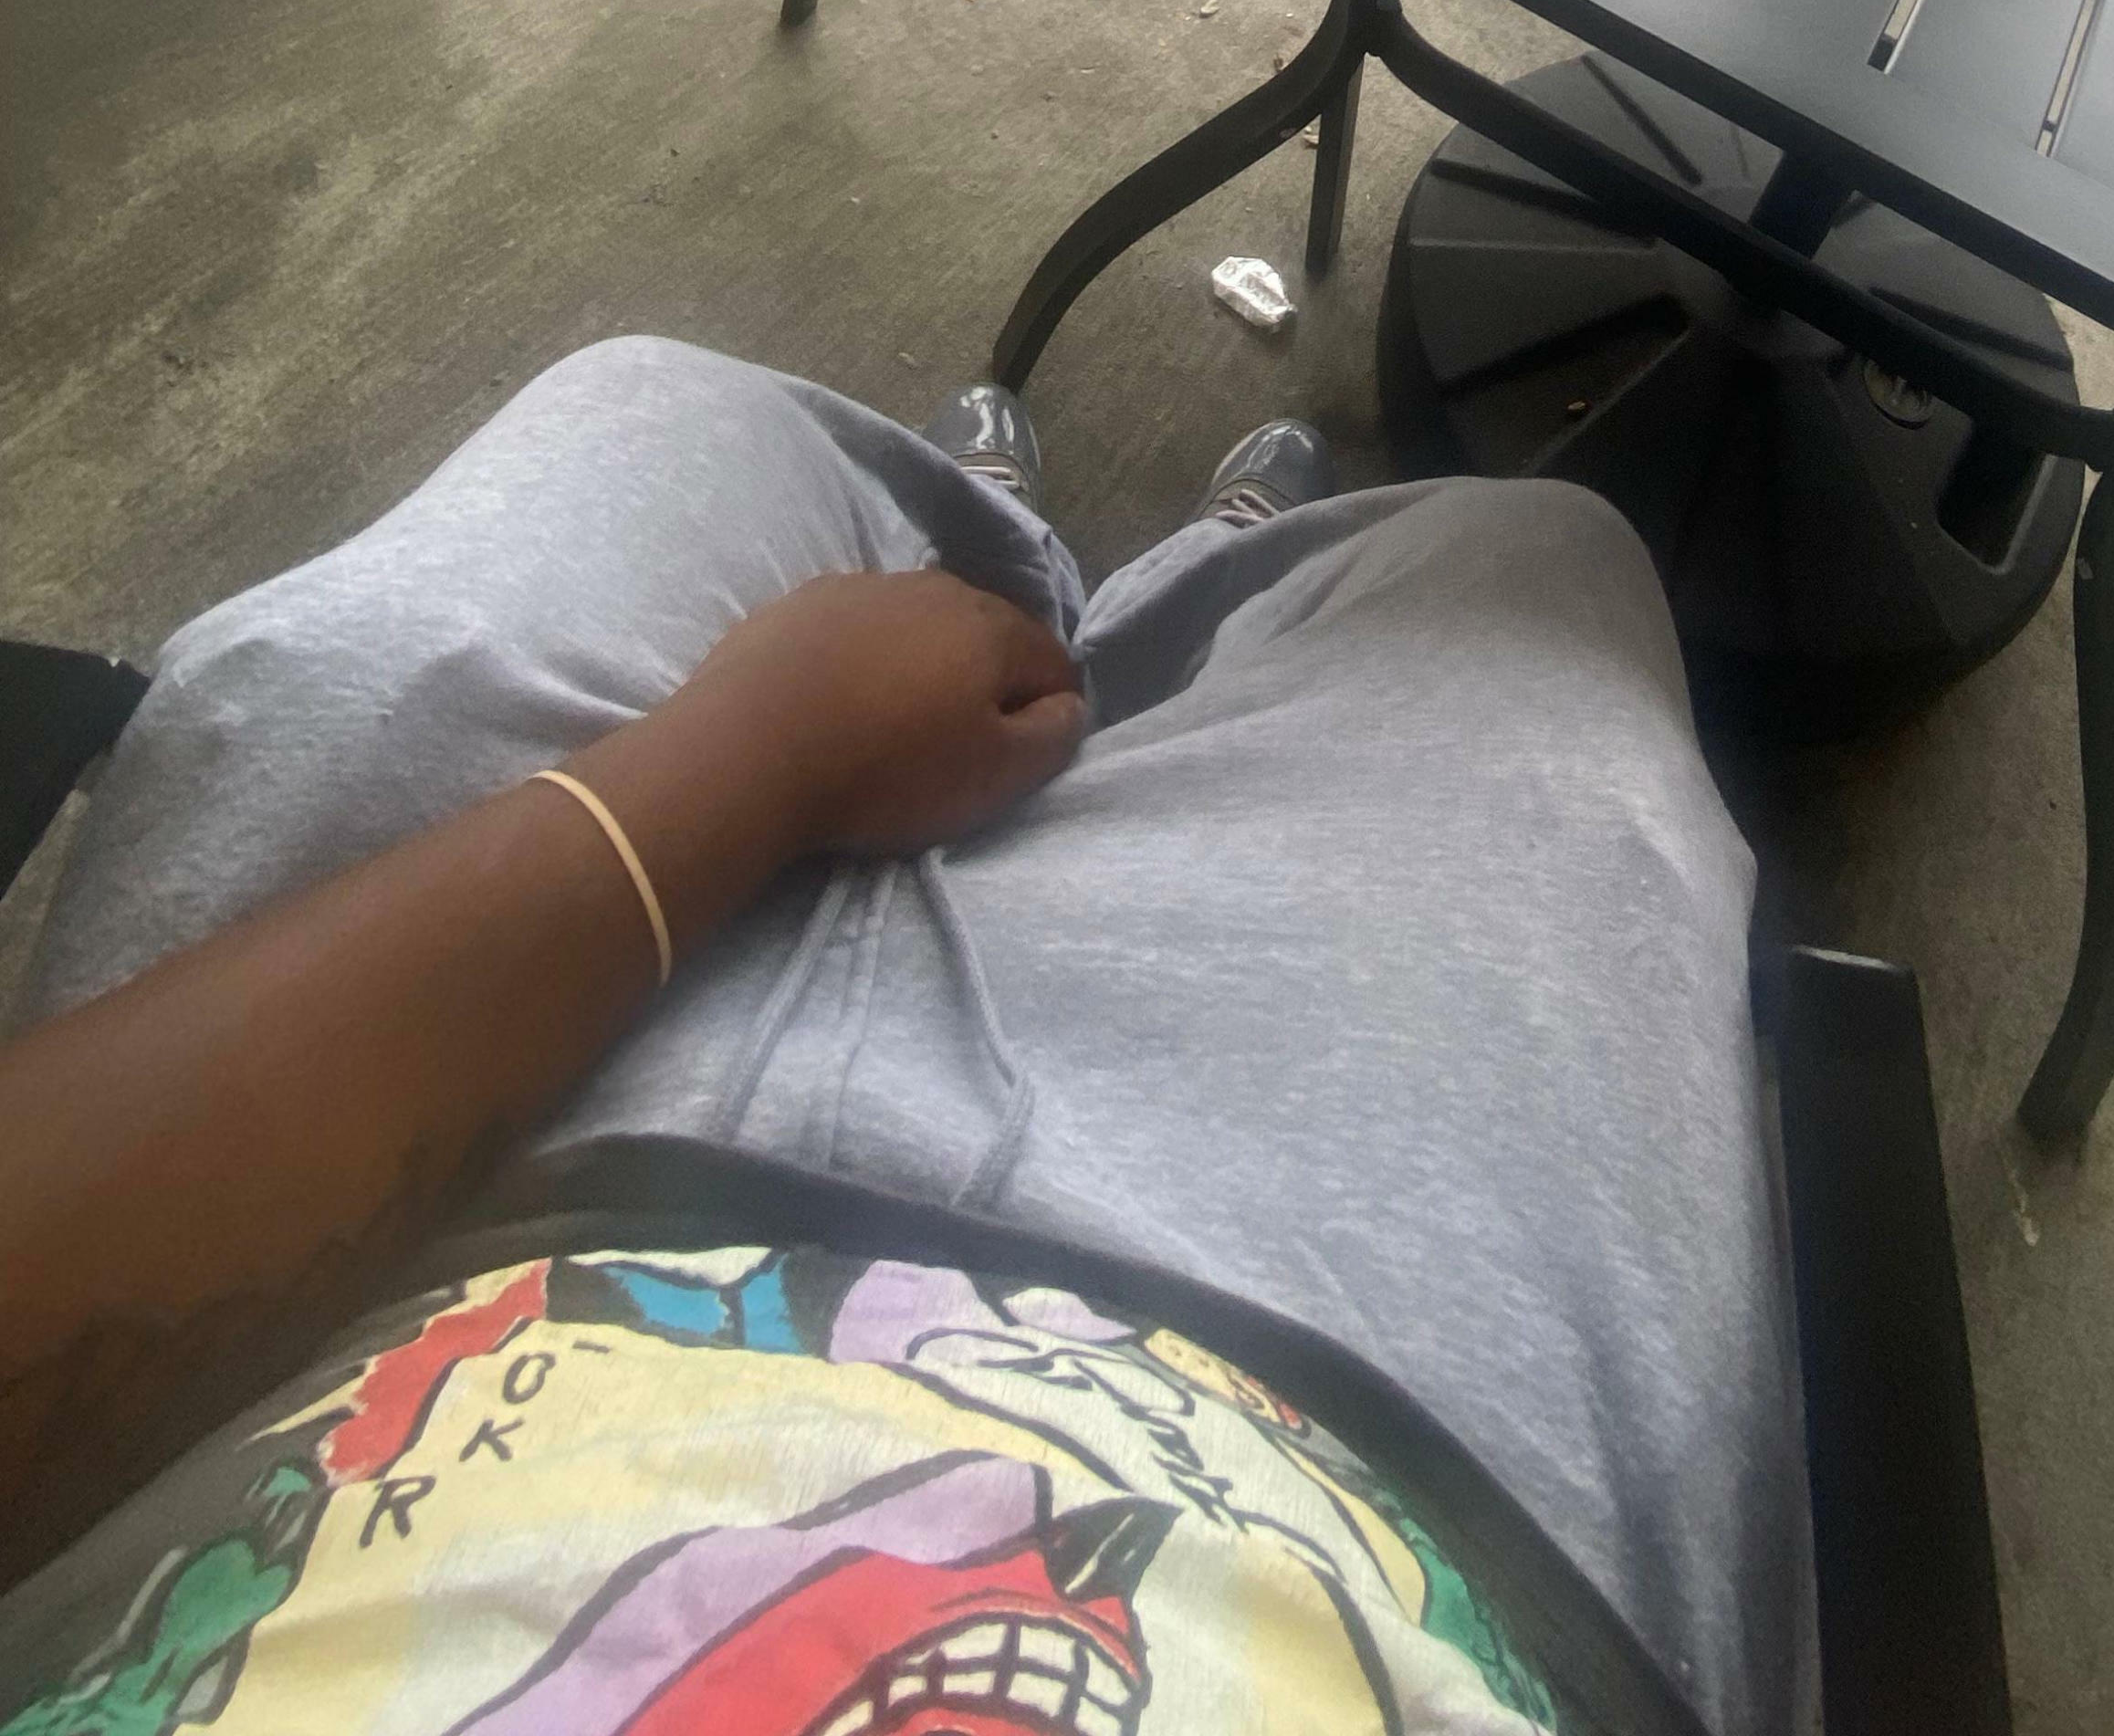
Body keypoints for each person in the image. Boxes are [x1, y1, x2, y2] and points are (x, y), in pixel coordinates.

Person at [0, 340, 1808, 1735]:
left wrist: (761, 748)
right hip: (1327, 1434)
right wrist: (772, 746)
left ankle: (995, 552)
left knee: (652, 417)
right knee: (1517, 572)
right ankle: (1184, 588)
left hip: (312, 1317)